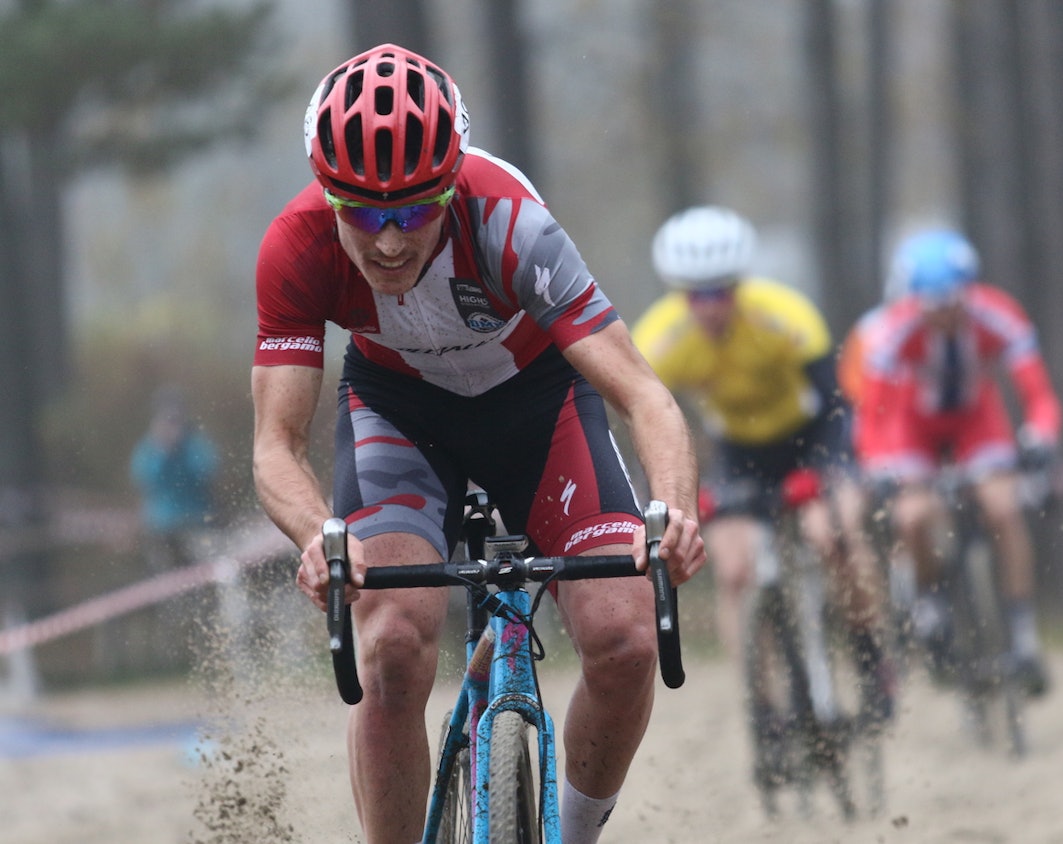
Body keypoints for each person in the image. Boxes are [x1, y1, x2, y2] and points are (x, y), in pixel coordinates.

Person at [251, 44, 705, 844]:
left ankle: (574, 833)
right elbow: (275, 446)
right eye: (364, 214)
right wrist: (319, 537)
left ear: (452, 184)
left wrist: (674, 512)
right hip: (399, 413)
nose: (390, 242)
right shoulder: (296, 245)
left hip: (537, 402)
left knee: (626, 640)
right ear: (327, 196)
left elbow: (644, 395)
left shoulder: (509, 222)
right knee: (391, 647)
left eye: (414, 211)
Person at [631, 205, 895, 730]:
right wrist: (661, 496)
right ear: (679, 293)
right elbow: (644, 424)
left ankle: (871, 657)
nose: (710, 305)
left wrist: (825, 471)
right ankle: (764, 707)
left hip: (812, 439)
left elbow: (838, 406)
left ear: (739, 284)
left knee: (831, 537)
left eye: (721, 291)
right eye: (696, 295)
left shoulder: (785, 316)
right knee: (733, 569)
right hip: (739, 453)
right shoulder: (660, 338)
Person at [838, 227, 1060, 696]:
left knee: (1004, 508)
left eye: (953, 305)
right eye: (931, 308)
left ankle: (1023, 636)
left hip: (977, 422)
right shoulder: (894, 329)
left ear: (969, 292)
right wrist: (878, 467)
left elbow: (1038, 393)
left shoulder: (999, 315)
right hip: (913, 427)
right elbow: (874, 414)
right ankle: (930, 599)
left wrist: (1041, 437)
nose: (943, 317)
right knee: (913, 515)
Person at [130, 385, 220, 573]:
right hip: (162, 527)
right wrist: (163, 452)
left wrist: (181, 450)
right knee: (165, 576)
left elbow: (208, 471)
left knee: (205, 572)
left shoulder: (195, 443)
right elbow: (143, 479)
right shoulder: (149, 448)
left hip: (196, 522)